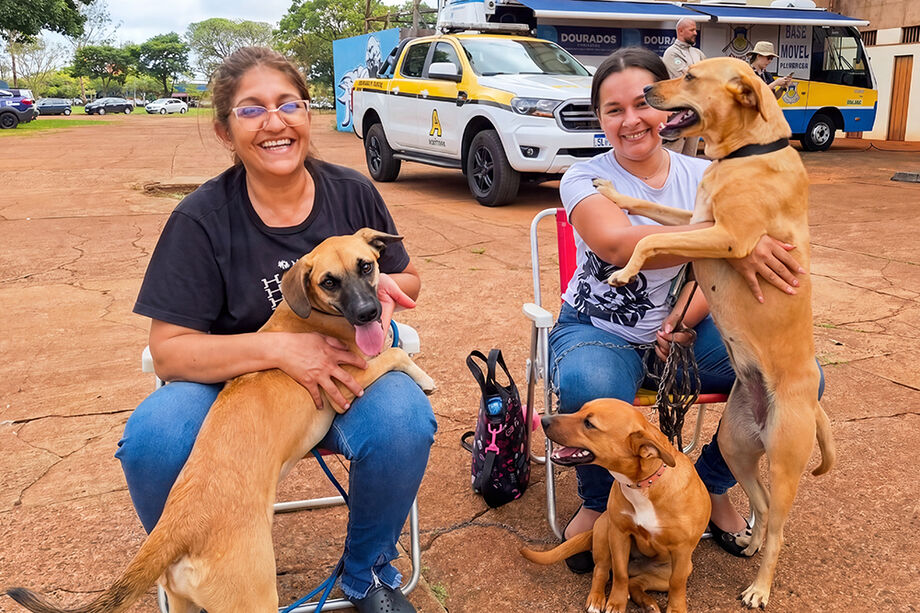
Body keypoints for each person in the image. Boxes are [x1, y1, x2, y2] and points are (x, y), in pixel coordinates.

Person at [115, 47, 435, 613]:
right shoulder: (198, 220)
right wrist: (283, 348)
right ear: (224, 129)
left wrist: (386, 299)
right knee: (154, 436)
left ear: (308, 114)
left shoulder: (352, 191)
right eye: (251, 109)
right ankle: (197, 555)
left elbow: (406, 275)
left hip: (338, 378)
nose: (275, 121)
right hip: (226, 384)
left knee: (404, 418)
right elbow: (168, 353)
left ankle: (367, 572)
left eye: (289, 103)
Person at [549, 47, 825, 571]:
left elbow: (719, 271)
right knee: (590, 387)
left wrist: (687, 312)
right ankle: (595, 500)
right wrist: (736, 243)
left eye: (640, 104)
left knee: (799, 385)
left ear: (668, 108)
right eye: (613, 110)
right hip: (600, 328)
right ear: (601, 118)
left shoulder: (711, 170)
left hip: (685, 330)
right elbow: (614, 244)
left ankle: (709, 485)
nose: (631, 120)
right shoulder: (582, 176)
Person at [662, 18, 705, 156]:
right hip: (678, 114)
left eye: (695, 30)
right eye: (692, 30)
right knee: (673, 155)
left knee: (690, 158)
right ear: (680, 31)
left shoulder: (697, 53)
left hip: (695, 113)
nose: (695, 33)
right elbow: (689, 79)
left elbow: (708, 74)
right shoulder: (671, 53)